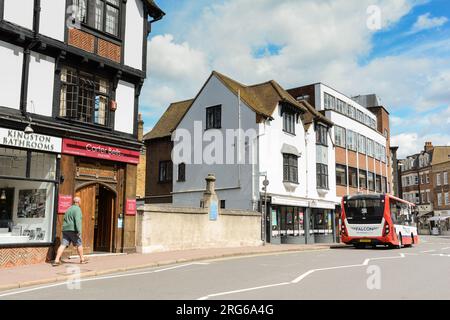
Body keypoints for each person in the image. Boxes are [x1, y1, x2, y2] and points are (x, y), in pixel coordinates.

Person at [52, 197, 87, 266]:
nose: (81, 203)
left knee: (63, 244)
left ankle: (56, 260)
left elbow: (65, 218)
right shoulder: (77, 209)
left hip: (65, 229)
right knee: (79, 244)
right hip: (73, 229)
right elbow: (78, 221)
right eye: (80, 201)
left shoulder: (69, 209)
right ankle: (82, 259)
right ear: (78, 202)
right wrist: (79, 230)